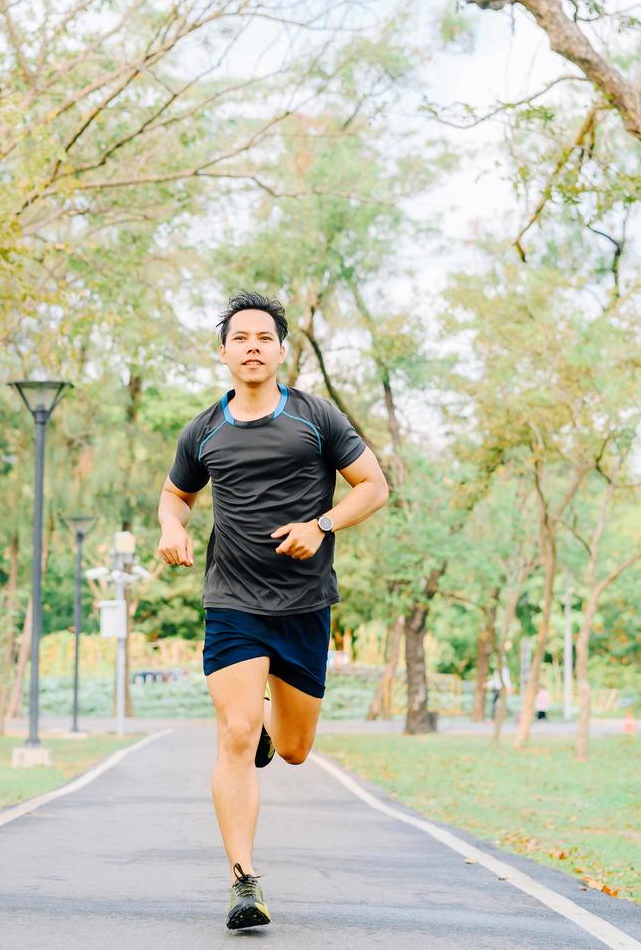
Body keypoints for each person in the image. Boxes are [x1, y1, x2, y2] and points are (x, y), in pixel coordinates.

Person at [155, 291, 389, 931]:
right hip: (232, 601)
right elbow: (174, 497)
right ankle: (243, 882)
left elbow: (374, 486)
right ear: (224, 352)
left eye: (265, 337)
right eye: (241, 337)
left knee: (292, 750)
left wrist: (322, 523)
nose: (253, 346)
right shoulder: (204, 430)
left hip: (304, 605)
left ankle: (267, 731)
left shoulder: (317, 418)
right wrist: (171, 529)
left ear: (281, 350)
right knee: (232, 734)